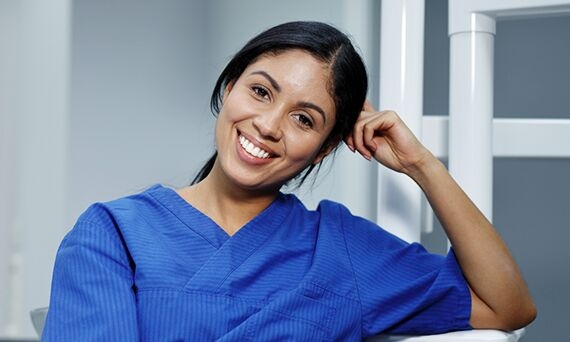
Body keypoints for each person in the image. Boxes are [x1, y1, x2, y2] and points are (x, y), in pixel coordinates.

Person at [42, 21, 536, 341]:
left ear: (324, 147)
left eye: (304, 119)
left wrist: (422, 165)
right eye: (260, 91)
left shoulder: (342, 249)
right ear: (230, 87)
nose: (269, 125)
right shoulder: (112, 233)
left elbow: (507, 305)